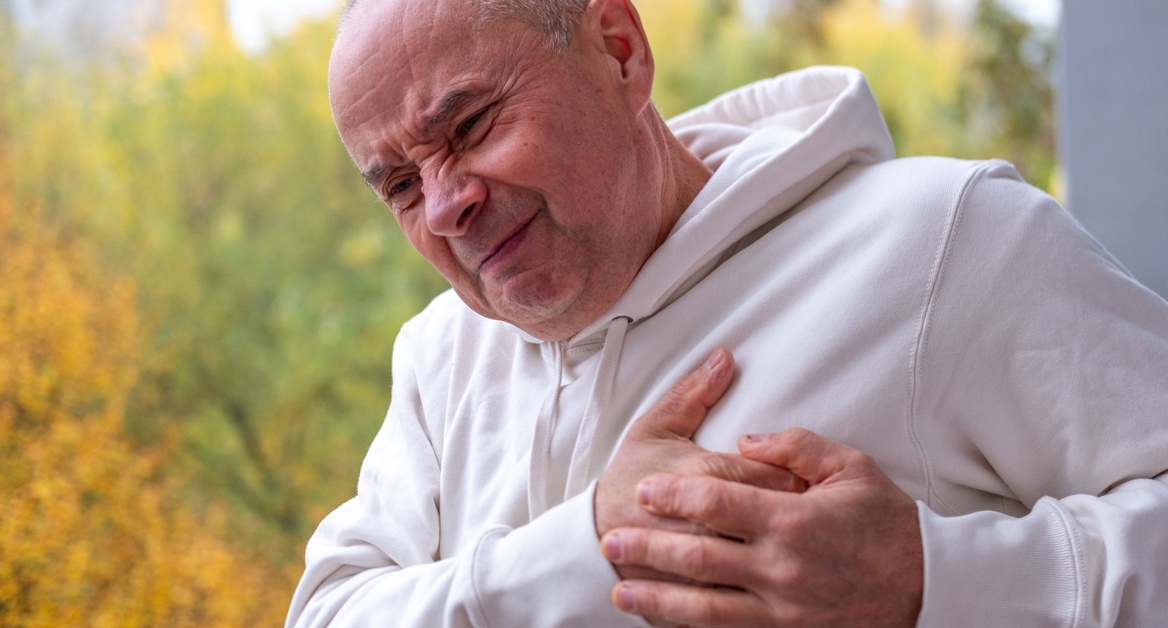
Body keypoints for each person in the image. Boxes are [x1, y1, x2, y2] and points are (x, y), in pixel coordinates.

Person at [287, 0, 1168, 625]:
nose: (443, 208)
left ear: (620, 50)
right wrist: (584, 546)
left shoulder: (948, 239)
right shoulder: (441, 358)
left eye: (471, 125)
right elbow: (327, 611)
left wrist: (934, 581)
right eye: (401, 185)